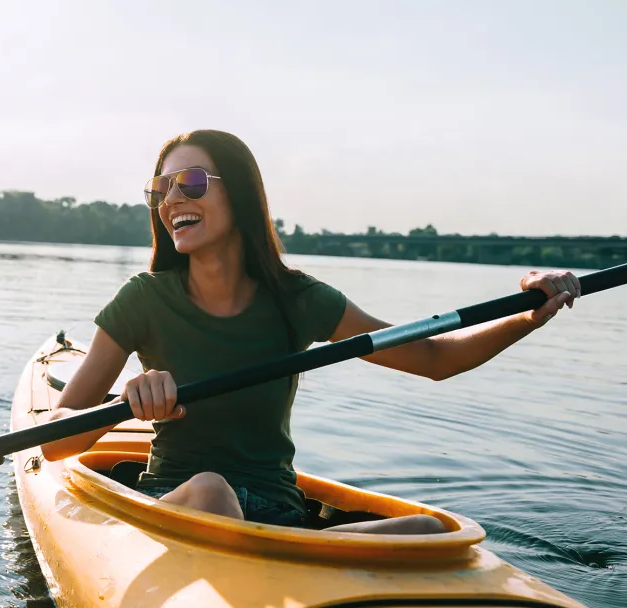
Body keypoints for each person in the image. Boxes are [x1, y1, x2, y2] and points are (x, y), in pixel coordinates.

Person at [39, 129, 581, 534]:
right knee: (211, 491)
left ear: (242, 194)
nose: (172, 199)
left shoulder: (298, 299)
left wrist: (529, 313)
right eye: (160, 188)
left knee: (434, 529)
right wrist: (130, 403)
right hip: (180, 502)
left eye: (192, 182)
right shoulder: (143, 300)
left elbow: (435, 358)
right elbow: (58, 441)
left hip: (279, 515)